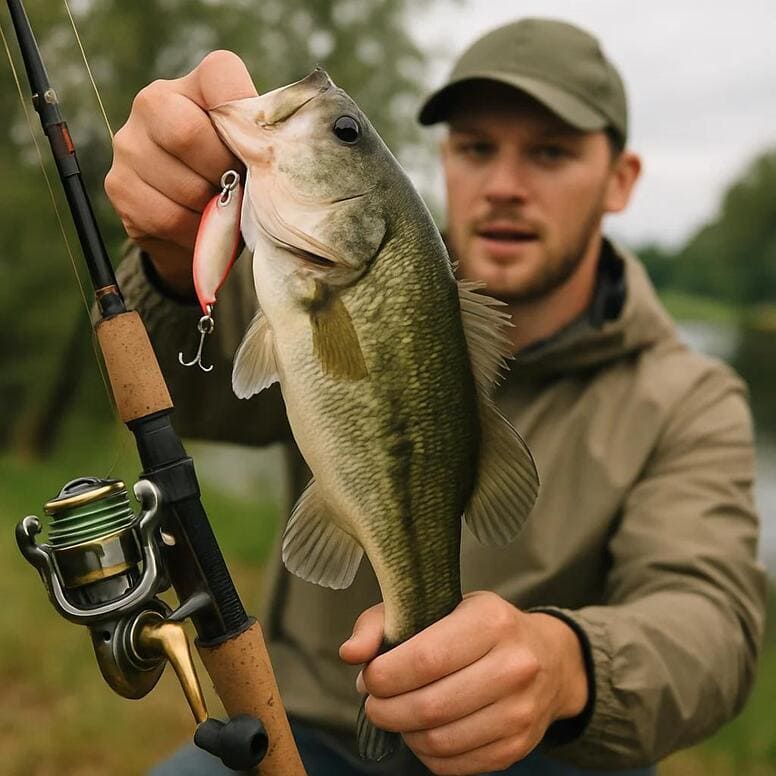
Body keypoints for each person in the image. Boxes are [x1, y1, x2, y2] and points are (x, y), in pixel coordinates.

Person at [106, 17, 766, 776]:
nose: (506, 185)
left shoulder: (692, 396)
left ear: (621, 181)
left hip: (549, 751)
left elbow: (714, 624)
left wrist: (569, 667)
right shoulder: (341, 277)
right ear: (445, 159)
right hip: (312, 726)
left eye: (551, 152)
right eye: (477, 147)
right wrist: (166, 263)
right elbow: (185, 399)